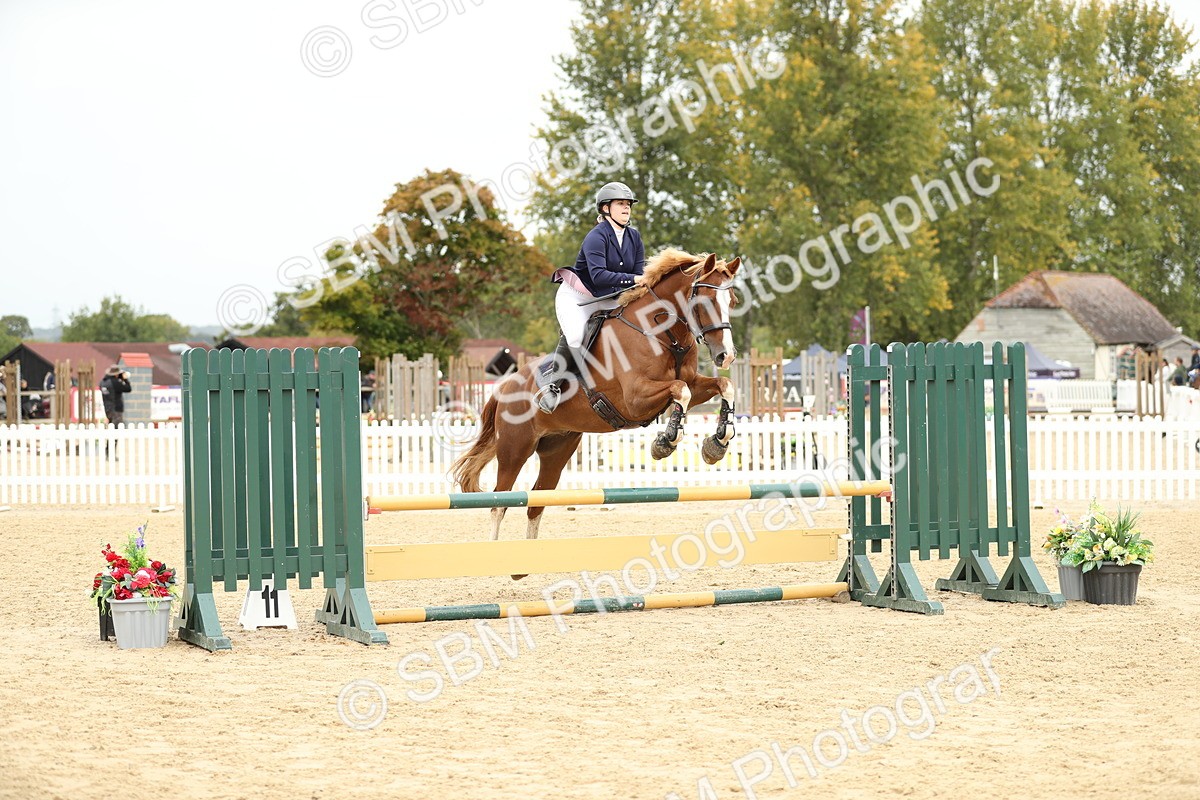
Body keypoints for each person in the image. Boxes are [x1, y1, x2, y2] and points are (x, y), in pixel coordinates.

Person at [536, 181, 647, 413]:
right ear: (606, 208)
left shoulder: (634, 237)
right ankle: (552, 385)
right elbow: (598, 276)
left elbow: (637, 274)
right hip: (578, 297)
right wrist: (635, 279)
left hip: (610, 296)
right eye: (620, 204)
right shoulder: (596, 236)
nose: (626, 208)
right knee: (577, 335)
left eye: (628, 204)